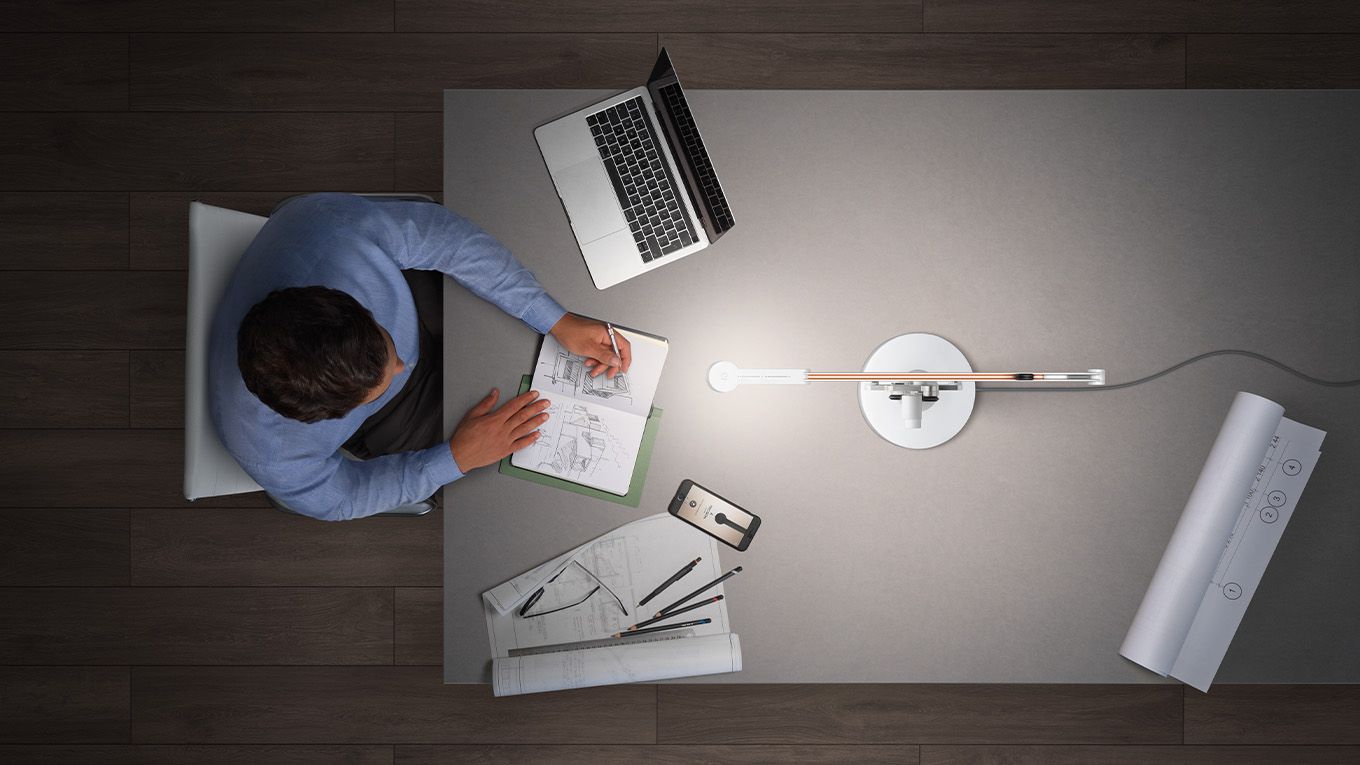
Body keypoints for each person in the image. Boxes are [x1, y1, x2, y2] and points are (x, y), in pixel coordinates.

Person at [208, 193, 631, 521]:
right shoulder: (273, 455)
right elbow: (341, 498)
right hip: (396, 416)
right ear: (327, 416)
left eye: (385, 345)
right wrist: (454, 459)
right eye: (377, 384)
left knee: (524, 333)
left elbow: (452, 240)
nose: (401, 366)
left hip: (411, 297)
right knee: (518, 460)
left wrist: (554, 318)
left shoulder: (329, 230)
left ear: (343, 302)